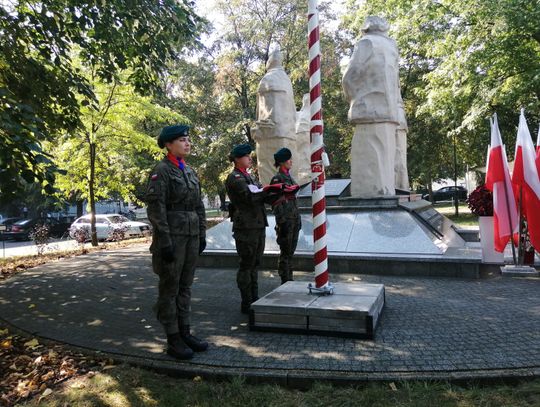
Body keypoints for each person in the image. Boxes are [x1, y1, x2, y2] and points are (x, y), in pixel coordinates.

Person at [145, 124, 207, 360]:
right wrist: (165, 242)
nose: (187, 143)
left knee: (185, 287)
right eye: (182, 140)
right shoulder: (161, 171)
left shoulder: (189, 171)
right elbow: (157, 210)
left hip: (190, 237)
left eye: (188, 139)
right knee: (169, 289)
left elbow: (198, 206)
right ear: (168, 144)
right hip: (172, 239)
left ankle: (185, 332)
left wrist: (202, 234)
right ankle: (172, 338)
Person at [225, 144, 279, 314]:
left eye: (249, 156)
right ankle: (246, 302)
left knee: (254, 265)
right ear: (237, 159)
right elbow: (250, 197)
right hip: (246, 227)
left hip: (256, 225)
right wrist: (268, 191)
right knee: (246, 265)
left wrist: (277, 194)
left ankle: (254, 298)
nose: (250, 158)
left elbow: (258, 194)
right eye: (246, 156)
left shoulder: (248, 177)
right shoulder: (235, 178)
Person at [270, 148, 301, 284]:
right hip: (285, 222)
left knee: (291, 252)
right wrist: (282, 222)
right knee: (285, 252)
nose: (291, 161)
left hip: (294, 219)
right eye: (289, 159)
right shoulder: (277, 179)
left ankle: (290, 278)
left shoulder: (290, 178)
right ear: (282, 162)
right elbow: (276, 203)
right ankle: (285, 280)